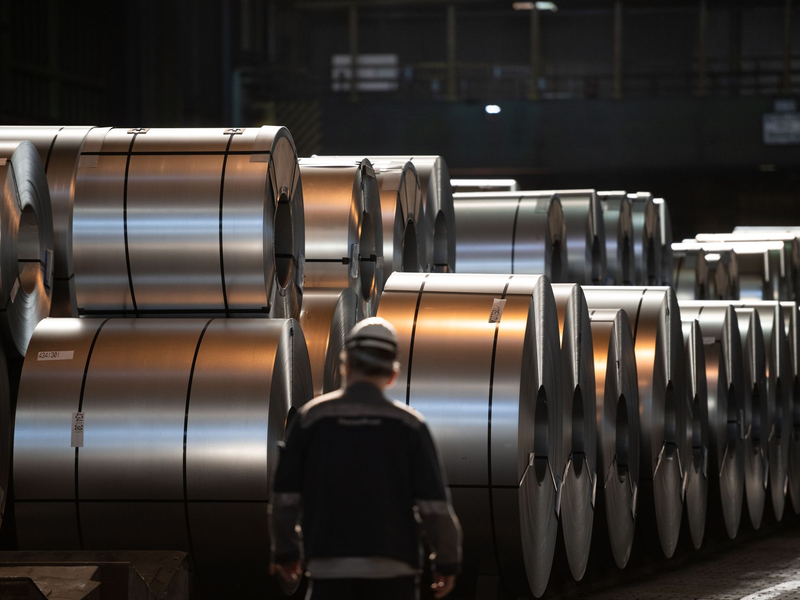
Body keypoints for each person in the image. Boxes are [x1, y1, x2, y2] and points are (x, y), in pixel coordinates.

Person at [269, 317, 462, 600]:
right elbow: (434, 505)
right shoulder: (410, 426)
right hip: (394, 571)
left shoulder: (311, 419)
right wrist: (446, 561)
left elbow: (284, 497)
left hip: (328, 570)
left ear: (346, 366)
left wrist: (286, 551)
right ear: (392, 375)